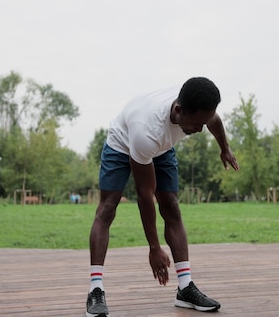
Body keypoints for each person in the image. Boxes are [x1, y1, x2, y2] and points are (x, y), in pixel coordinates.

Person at [86, 77, 239, 317]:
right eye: (196, 124)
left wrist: (225, 148)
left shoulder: (193, 109)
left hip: (161, 147)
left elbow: (214, 121)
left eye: (203, 123)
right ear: (178, 110)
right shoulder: (146, 132)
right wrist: (154, 248)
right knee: (107, 208)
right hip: (123, 142)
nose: (199, 130)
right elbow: (145, 195)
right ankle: (95, 290)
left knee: (172, 207)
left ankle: (185, 288)